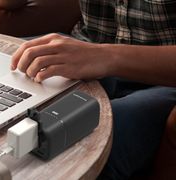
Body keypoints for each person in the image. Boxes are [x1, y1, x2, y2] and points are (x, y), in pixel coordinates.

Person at [10, 0, 176, 179]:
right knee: (6, 83)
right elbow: (6, 5)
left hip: (162, 80)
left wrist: (106, 57)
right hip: (85, 48)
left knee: (84, 142)